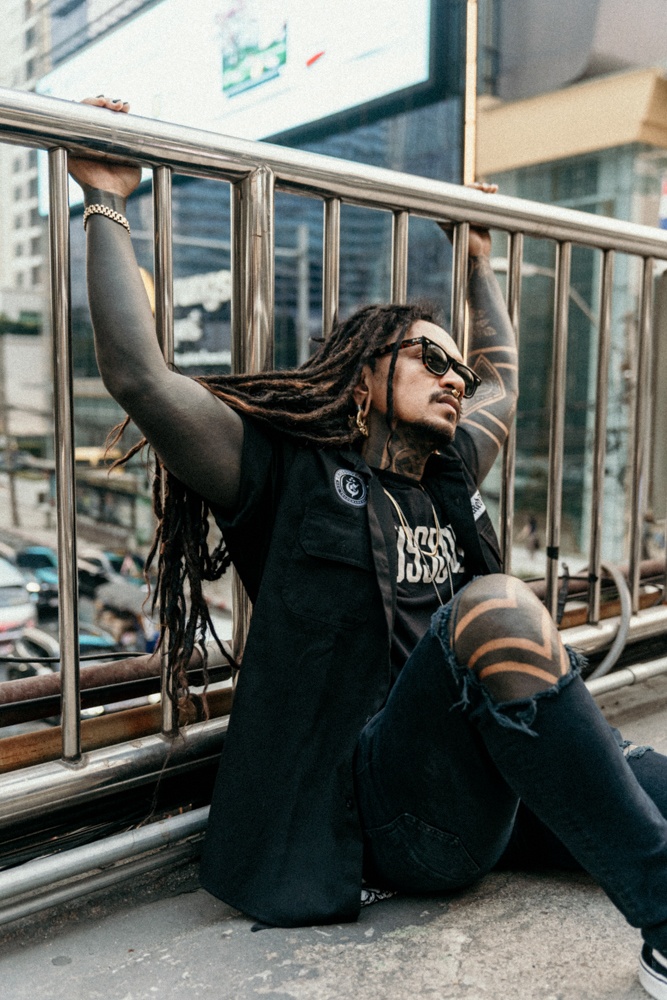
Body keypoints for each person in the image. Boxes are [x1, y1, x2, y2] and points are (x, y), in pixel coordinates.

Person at [69, 96, 667, 999]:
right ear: (362, 372)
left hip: (491, 780)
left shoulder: (447, 473)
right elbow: (140, 377)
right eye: (430, 360)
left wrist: (475, 260)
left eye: (456, 369)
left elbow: (504, 378)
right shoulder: (284, 471)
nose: (454, 379)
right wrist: (106, 200)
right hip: (390, 815)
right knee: (494, 609)